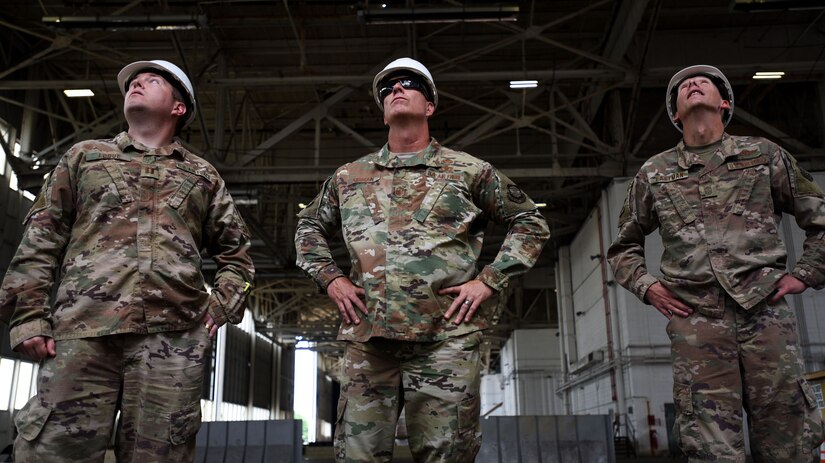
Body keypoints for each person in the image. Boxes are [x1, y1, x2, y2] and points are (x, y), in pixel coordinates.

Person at [294, 57, 550, 462]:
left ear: (430, 106)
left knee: (446, 455)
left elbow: (529, 221)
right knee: (357, 456)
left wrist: (489, 279)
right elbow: (308, 227)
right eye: (387, 88)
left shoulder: (469, 172)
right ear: (382, 111)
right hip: (369, 342)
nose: (396, 89)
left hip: (445, 340)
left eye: (409, 83)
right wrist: (330, 277)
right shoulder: (349, 177)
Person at [0, 59, 254, 462]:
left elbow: (238, 258)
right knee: (53, 452)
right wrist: (27, 314)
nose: (137, 85)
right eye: (133, 82)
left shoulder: (203, 177)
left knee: (160, 455)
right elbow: (41, 237)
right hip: (82, 334)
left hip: (172, 344)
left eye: (151, 81)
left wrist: (221, 306)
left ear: (178, 108)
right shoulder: (84, 158)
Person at [607, 64, 825, 461]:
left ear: (724, 103)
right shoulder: (654, 173)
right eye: (682, 86)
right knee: (709, 445)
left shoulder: (763, 156)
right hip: (697, 323)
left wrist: (805, 275)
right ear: (675, 114)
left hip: (766, 315)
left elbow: (821, 220)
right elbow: (622, 248)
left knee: (788, 435)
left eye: (703, 81)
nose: (692, 83)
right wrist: (648, 286)